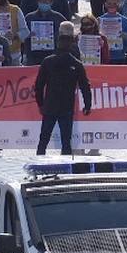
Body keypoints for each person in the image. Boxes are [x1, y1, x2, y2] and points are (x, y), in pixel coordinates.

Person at [33, 20, 93, 155]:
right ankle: (47, 163)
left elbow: (38, 85)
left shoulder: (53, 62)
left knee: (52, 140)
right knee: (53, 140)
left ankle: (51, 163)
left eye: (65, 41)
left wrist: (40, 103)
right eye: (63, 41)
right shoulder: (72, 63)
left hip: (57, 106)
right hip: (58, 106)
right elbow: (39, 85)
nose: (63, 43)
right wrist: (88, 105)